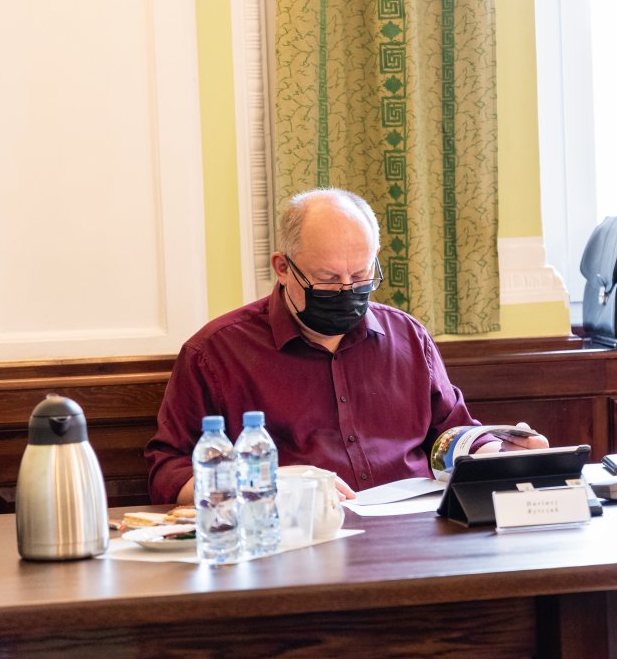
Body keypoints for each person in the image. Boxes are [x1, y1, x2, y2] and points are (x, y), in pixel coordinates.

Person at [145, 188, 549, 504]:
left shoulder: (407, 336)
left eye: (359, 277)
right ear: (283, 268)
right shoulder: (216, 353)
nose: (346, 290)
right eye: (327, 279)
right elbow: (169, 471)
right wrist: (260, 483)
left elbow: (452, 434)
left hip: (412, 532)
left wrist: (500, 453)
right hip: (295, 540)